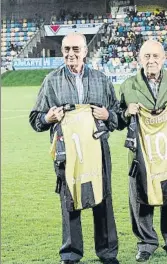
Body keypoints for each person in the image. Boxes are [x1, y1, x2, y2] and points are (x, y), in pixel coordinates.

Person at [29, 32, 119, 264]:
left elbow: (119, 117)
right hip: (66, 152)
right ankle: (70, 254)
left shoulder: (102, 79)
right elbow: (35, 119)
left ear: (85, 52)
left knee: (103, 199)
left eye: (76, 49)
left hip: (98, 149)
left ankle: (107, 253)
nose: (71, 54)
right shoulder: (51, 81)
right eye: (67, 49)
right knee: (70, 201)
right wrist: (48, 118)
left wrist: (108, 115)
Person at [117, 40, 167, 262]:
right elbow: (118, 122)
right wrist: (125, 113)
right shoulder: (129, 85)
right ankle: (146, 243)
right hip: (140, 153)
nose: (151, 60)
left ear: (164, 58)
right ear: (139, 59)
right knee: (140, 196)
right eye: (147, 56)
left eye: (155, 56)